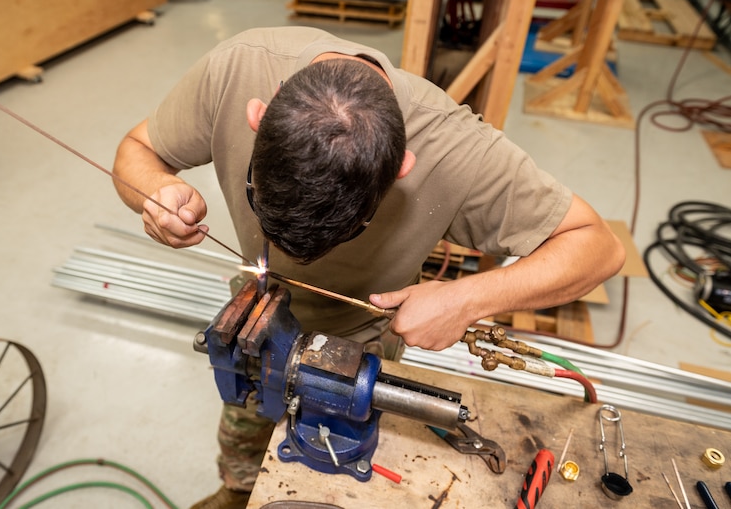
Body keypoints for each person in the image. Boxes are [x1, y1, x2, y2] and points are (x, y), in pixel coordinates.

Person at [112, 26, 626, 508]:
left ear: (402, 167)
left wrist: (466, 298)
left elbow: (598, 246)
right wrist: (155, 193)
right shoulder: (232, 71)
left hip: (364, 340)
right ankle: (237, 489)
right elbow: (138, 150)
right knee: (245, 447)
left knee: (339, 476)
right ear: (257, 115)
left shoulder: (457, 151)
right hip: (258, 316)